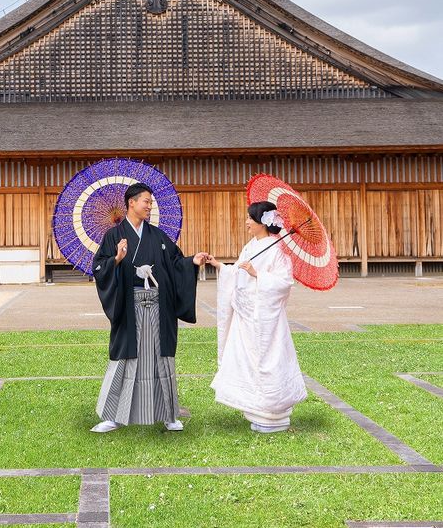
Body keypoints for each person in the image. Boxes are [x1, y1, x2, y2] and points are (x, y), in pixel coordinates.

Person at [90, 182, 209, 433]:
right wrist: (117, 259)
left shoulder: (157, 236)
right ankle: (113, 416)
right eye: (146, 201)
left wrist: (192, 262)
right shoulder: (114, 236)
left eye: (150, 202)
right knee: (125, 359)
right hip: (129, 307)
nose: (149, 205)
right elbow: (99, 268)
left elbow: (175, 262)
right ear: (131, 203)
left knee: (161, 359)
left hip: (158, 307)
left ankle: (169, 414)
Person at [206, 201, 307, 433]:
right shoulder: (252, 245)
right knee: (247, 362)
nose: (247, 222)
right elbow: (238, 272)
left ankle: (273, 413)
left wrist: (257, 274)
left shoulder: (277, 250)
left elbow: (283, 283)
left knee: (267, 361)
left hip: (265, 320)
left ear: (263, 222)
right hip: (246, 318)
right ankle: (254, 408)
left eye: (250, 218)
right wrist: (221, 266)